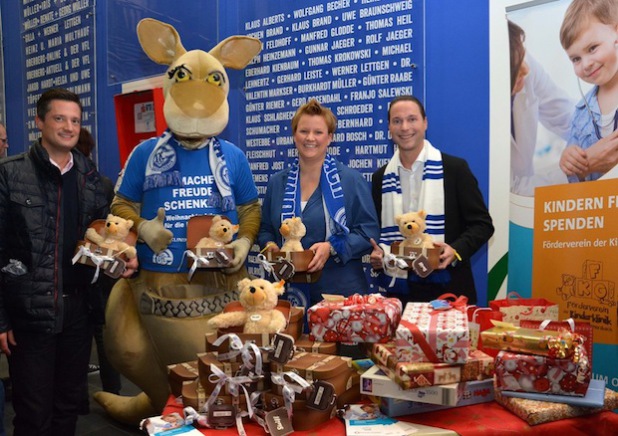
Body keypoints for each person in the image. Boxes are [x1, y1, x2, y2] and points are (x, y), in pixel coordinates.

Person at [0, 88, 138, 436]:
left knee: (67, 411)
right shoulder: (9, 175)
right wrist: (1, 319)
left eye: (75, 120)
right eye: (59, 118)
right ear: (40, 122)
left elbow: (102, 244)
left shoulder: (92, 179)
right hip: (30, 317)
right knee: (32, 414)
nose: (68, 127)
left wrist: (123, 261)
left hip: (79, 316)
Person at [370, 96, 494, 306]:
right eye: (397, 121)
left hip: (449, 289)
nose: (405, 127)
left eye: (412, 119)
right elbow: (378, 231)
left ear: (425, 123)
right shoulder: (380, 178)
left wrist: (455, 251)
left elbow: (483, 225)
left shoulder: (454, 169)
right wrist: (379, 255)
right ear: (389, 128)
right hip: (400, 293)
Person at [258, 99, 380, 308]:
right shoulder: (278, 182)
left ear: (330, 137)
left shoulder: (350, 180)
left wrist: (332, 247)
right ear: (294, 135)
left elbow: (367, 232)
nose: (310, 138)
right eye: (304, 131)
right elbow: (266, 229)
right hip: (286, 291)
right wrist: (271, 247)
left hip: (338, 293)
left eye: (318, 132)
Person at [74, 128, 122, 414]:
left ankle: (80, 396)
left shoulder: (99, 184)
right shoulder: (102, 183)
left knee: (86, 338)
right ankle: (113, 393)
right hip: (101, 275)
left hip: (86, 274)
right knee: (103, 338)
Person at [509, 20, 574, 196]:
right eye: (515, 68)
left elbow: (566, 116)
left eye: (522, 55)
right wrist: (581, 167)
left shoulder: (519, 58)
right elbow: (512, 189)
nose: (527, 70)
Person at [558, 0, 618, 182]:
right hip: (603, 206)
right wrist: (570, 161)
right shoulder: (580, 114)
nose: (586, 65)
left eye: (592, 48)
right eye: (576, 59)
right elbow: (575, 179)